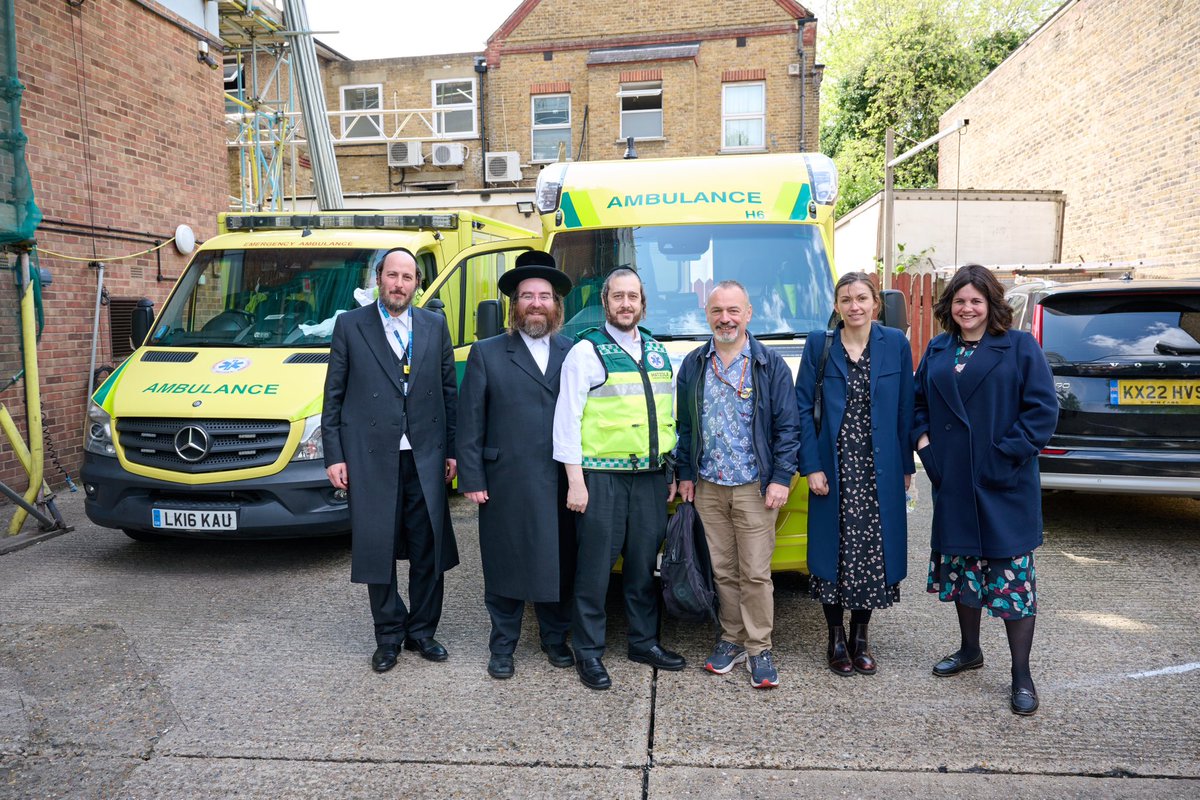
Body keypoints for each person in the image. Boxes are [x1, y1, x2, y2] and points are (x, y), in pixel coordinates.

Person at [913, 263, 1057, 716]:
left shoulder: (1018, 347)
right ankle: (970, 650)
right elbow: (917, 404)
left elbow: (1042, 411)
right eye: (959, 300)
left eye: (976, 300)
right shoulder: (938, 349)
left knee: (1011, 580)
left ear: (991, 304)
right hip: (953, 480)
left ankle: (1021, 674)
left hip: (1004, 483)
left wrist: (1002, 456)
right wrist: (925, 448)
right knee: (963, 572)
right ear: (948, 306)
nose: (967, 308)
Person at [322, 247, 460, 673]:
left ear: (417, 284)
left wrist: (453, 449)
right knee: (376, 545)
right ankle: (388, 635)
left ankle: (422, 632)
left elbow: (449, 393)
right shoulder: (350, 325)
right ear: (378, 277)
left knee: (428, 546)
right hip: (369, 456)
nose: (399, 284)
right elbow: (334, 395)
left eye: (408, 277)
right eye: (392, 275)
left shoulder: (434, 326)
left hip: (426, 455)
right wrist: (334, 455)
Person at [553, 267, 684, 690]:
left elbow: (667, 418)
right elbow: (566, 421)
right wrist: (575, 481)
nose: (626, 304)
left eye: (633, 296)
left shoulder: (658, 351)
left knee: (644, 569)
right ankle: (588, 652)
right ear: (605, 302)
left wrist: (669, 469)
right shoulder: (585, 351)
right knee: (594, 570)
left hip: (648, 478)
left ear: (643, 303)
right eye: (618, 297)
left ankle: (643, 641)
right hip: (599, 478)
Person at [457, 252, 577, 680]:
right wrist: (471, 477)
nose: (536, 303)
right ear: (515, 305)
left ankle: (554, 639)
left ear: (556, 305)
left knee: (559, 562)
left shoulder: (574, 352)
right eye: (527, 296)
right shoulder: (487, 353)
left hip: (561, 480)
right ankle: (503, 647)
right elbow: (470, 419)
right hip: (504, 480)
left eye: (544, 296)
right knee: (506, 564)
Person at [675, 280, 800, 689]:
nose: (725, 319)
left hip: (754, 486)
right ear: (707, 316)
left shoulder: (770, 364)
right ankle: (730, 637)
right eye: (717, 312)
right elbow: (686, 428)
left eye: (733, 311)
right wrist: (687, 474)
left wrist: (781, 478)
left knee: (756, 572)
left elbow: (787, 428)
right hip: (710, 486)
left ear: (748, 314)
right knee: (723, 570)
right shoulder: (694, 364)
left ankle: (759, 647)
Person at [795, 272, 914, 677]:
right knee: (834, 551)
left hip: (878, 467)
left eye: (862, 298)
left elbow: (905, 410)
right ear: (836, 305)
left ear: (875, 303)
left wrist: (906, 467)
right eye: (845, 299)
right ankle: (834, 637)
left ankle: (861, 636)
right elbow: (801, 411)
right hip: (833, 464)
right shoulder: (820, 344)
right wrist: (810, 466)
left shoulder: (895, 344)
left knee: (870, 552)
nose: (854, 306)